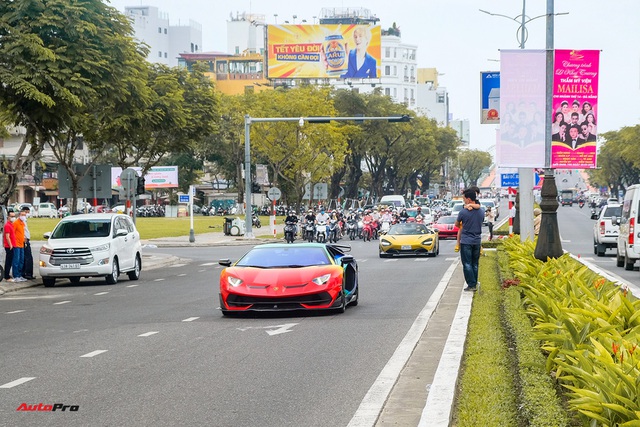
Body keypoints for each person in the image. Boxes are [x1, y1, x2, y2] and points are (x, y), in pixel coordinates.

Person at [455, 189, 485, 292]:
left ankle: (471, 284)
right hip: (477, 240)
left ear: (468, 199)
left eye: (464, 199)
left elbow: (456, 224)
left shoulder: (463, 212)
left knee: (467, 263)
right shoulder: (481, 211)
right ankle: (474, 282)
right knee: (475, 263)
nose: (463, 200)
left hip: (466, 241)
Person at [20, 206, 35, 280]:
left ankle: (27, 273)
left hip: (26, 239)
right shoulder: (21, 220)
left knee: (26, 257)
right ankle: (27, 273)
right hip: (24, 240)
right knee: (27, 257)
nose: (27, 214)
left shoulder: (24, 220)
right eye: (27, 212)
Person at [12, 207, 26, 282]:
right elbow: (12, 233)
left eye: (25, 215)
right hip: (16, 244)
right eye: (22, 215)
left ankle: (20, 275)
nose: (24, 216)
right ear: (19, 215)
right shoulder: (16, 223)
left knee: (21, 260)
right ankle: (16, 275)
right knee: (16, 260)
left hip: (22, 244)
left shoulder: (22, 223)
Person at [3, 210, 17, 282]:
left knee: (10, 261)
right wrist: (10, 245)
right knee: (8, 261)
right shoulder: (7, 225)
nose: (13, 218)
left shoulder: (11, 224)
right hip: (9, 246)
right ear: (8, 217)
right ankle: (6, 276)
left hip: (13, 245)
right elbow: (7, 236)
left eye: (14, 216)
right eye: (12, 216)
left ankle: (7, 274)